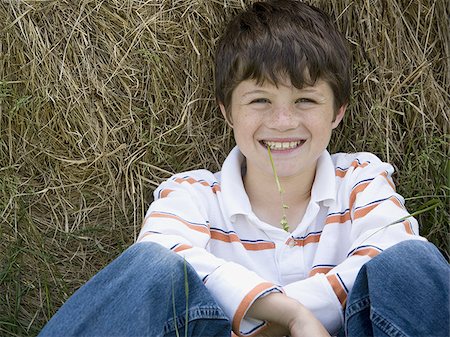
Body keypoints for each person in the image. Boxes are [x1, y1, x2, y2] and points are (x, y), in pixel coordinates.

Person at [39, 1, 449, 336]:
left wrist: (265, 315)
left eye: (306, 100)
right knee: (152, 266)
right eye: (259, 101)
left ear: (338, 111)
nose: (283, 121)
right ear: (227, 111)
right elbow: (163, 256)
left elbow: (392, 250)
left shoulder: (360, 179)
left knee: (411, 261)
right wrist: (294, 318)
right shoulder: (190, 195)